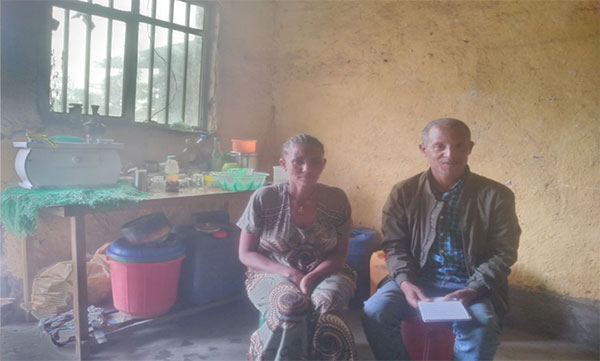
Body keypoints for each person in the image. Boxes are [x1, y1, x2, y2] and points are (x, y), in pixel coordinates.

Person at [362, 118, 521, 360]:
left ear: (470, 148)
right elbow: (395, 245)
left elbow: (503, 252)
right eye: (440, 146)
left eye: (459, 146)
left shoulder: (496, 196)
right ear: (423, 149)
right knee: (374, 311)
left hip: (470, 285)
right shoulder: (403, 193)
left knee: (482, 325)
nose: (450, 154)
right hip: (416, 280)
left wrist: (473, 289)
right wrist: (405, 283)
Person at [237, 134, 357, 361]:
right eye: (298, 161)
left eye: (315, 161)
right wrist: (290, 273)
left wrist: (311, 277)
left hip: (326, 271)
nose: (307, 168)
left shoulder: (337, 200)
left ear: (324, 164)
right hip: (272, 271)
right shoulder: (265, 198)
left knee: (325, 306)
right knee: (290, 305)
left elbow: (340, 255)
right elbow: (245, 253)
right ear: (283, 164)